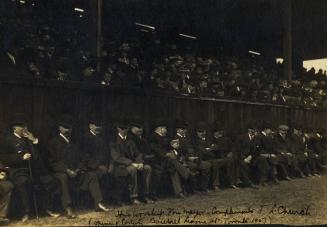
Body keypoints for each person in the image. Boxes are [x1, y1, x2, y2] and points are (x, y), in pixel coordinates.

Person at [48, 114, 109, 219]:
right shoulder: (53, 142)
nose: (68, 130)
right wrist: (67, 170)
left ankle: (98, 203)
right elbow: (52, 162)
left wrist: (78, 169)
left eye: (70, 128)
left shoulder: (75, 143)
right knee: (63, 178)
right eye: (66, 128)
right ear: (60, 128)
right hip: (61, 172)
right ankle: (68, 208)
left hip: (75, 172)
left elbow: (83, 158)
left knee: (92, 175)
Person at [110, 120, 153, 204]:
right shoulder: (113, 141)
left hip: (134, 164)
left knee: (147, 168)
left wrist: (140, 162)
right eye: (122, 129)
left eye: (126, 129)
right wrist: (132, 163)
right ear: (118, 129)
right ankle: (133, 197)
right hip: (118, 165)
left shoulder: (130, 140)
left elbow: (137, 153)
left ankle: (145, 195)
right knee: (132, 169)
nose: (124, 130)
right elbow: (116, 157)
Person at [149, 120, 192, 198]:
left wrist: (173, 147)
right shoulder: (153, 137)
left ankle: (179, 192)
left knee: (173, 170)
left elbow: (169, 147)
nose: (166, 130)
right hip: (158, 160)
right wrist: (166, 154)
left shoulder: (164, 137)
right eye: (165, 128)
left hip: (167, 160)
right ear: (159, 129)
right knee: (172, 160)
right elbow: (154, 149)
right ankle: (186, 173)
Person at [128, 119, 158, 200]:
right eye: (137, 127)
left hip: (144, 160)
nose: (140, 129)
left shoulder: (144, 139)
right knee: (148, 168)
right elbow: (134, 154)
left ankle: (148, 193)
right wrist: (141, 160)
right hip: (136, 161)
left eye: (141, 127)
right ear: (132, 129)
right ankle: (144, 195)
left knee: (155, 167)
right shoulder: (130, 139)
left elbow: (148, 151)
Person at [210, 122, 239, 188]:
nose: (220, 133)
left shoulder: (226, 139)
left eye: (220, 131)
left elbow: (233, 147)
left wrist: (231, 152)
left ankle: (233, 182)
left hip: (226, 157)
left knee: (232, 160)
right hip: (216, 158)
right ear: (214, 133)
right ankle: (216, 184)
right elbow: (212, 150)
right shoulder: (211, 140)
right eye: (217, 132)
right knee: (216, 163)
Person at [234, 123, 260, 189]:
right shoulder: (241, 137)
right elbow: (237, 150)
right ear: (249, 130)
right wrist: (244, 158)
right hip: (240, 157)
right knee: (242, 164)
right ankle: (249, 183)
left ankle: (258, 180)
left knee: (259, 161)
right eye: (252, 130)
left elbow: (257, 150)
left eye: (255, 130)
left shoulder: (257, 139)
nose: (254, 132)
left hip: (251, 157)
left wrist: (250, 157)